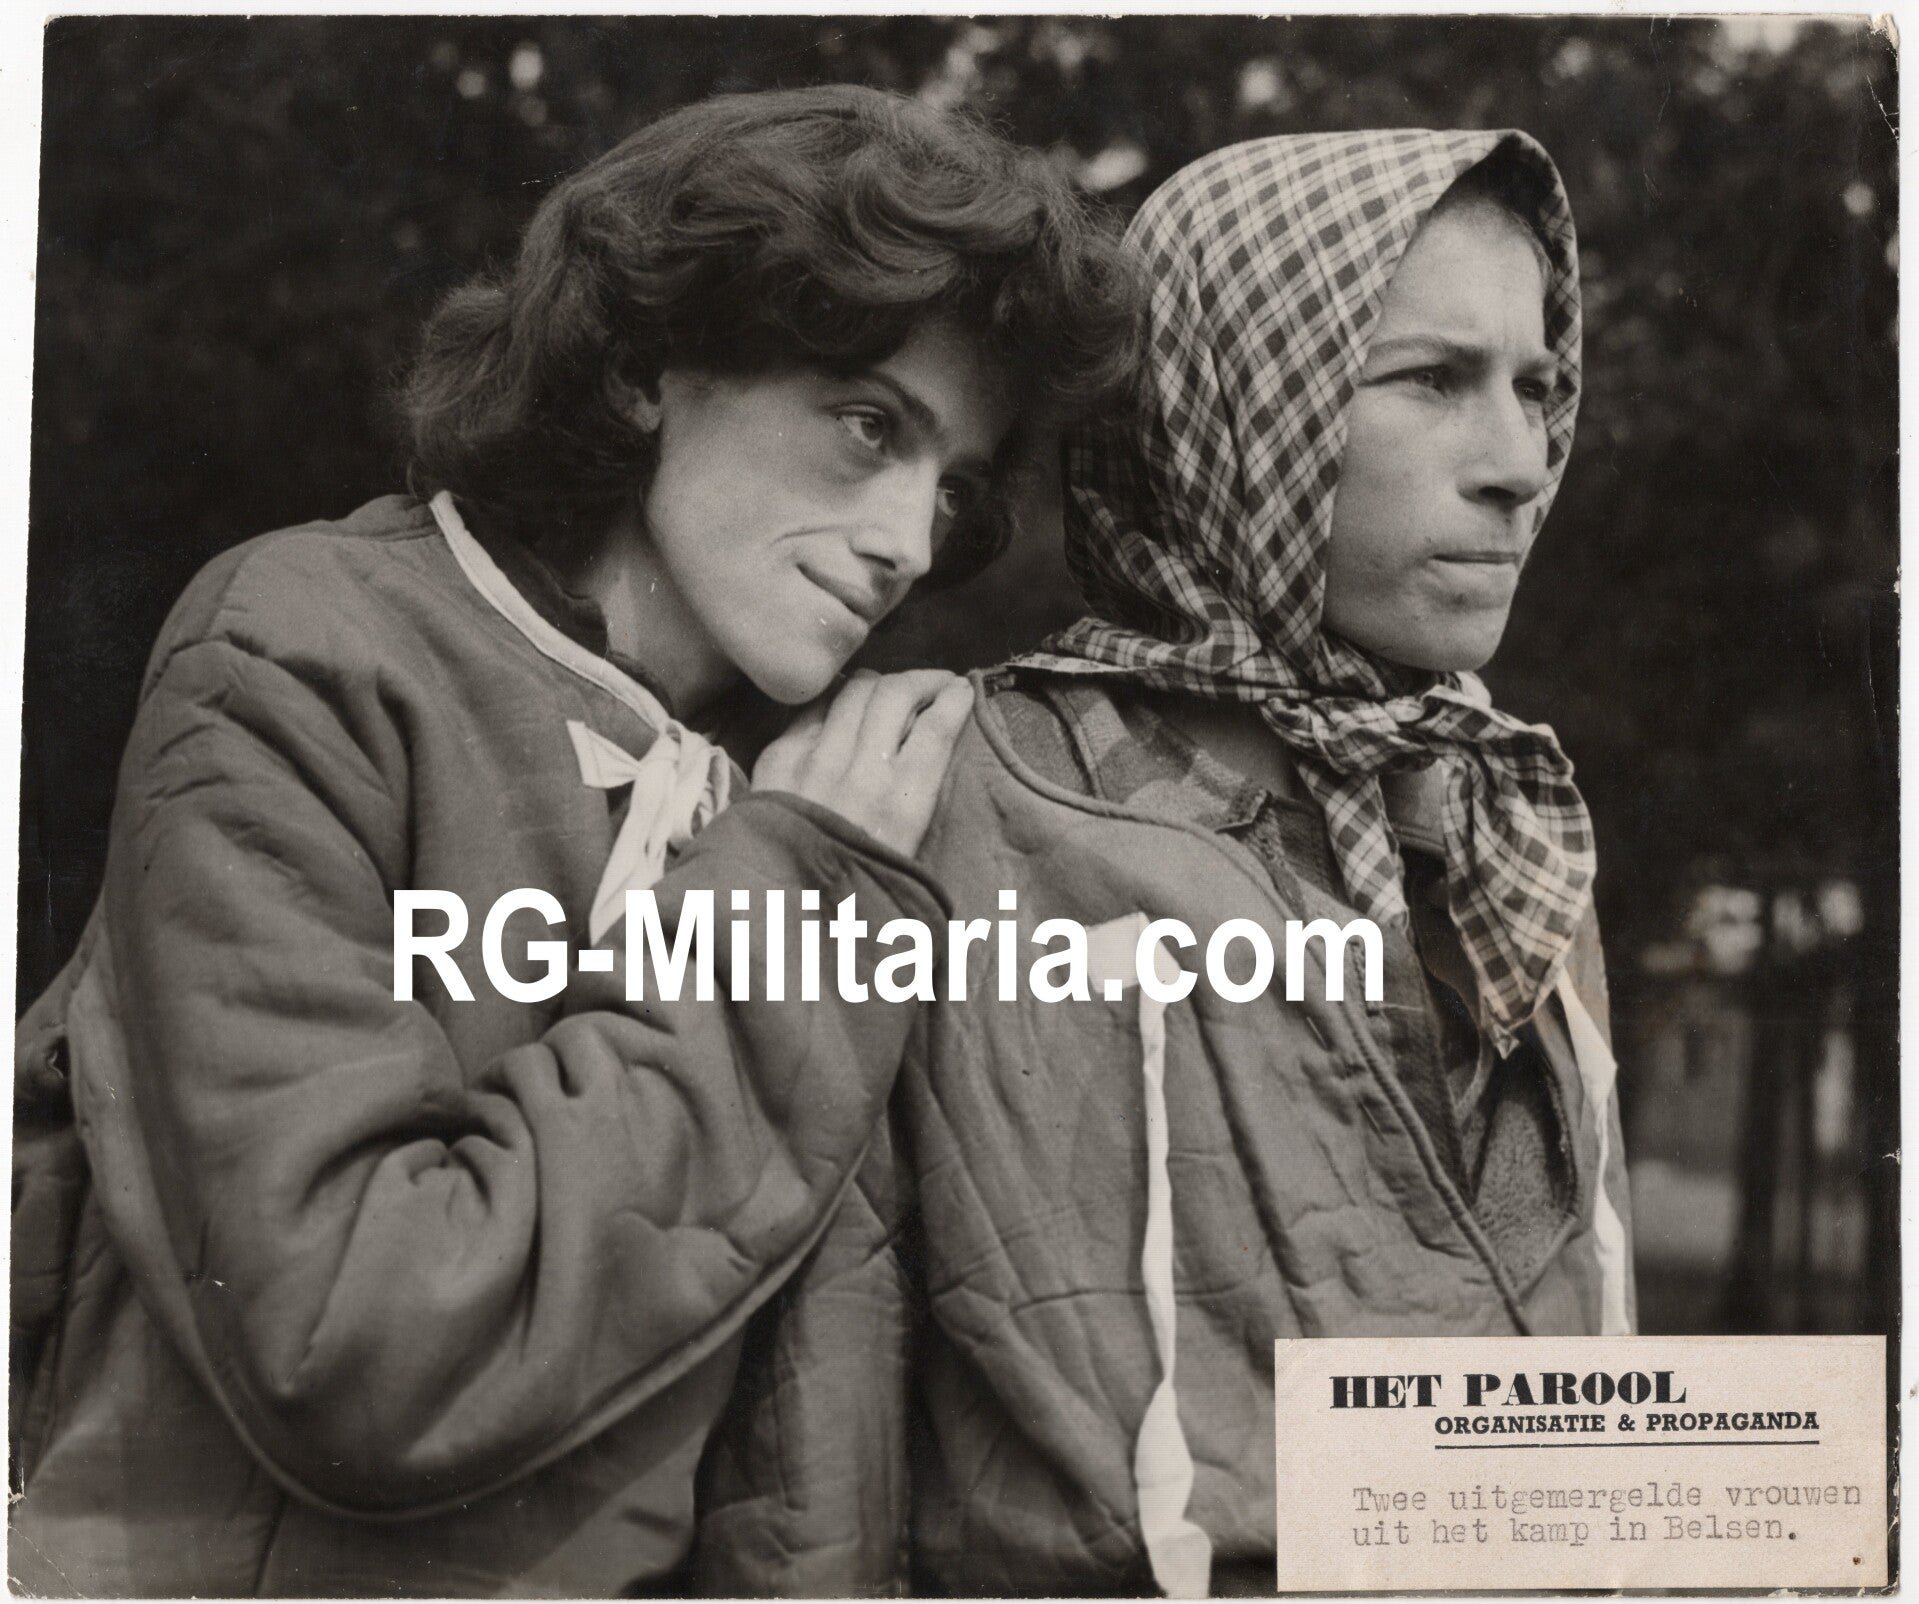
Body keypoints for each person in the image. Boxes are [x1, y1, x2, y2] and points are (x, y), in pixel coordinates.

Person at [8, 84, 1138, 1596]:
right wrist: (784, 912)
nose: (908, 541)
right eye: (869, 426)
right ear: (644, 364)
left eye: (954, 487)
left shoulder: (829, 788)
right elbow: (351, 1335)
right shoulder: (304, 647)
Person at [704, 128, 1633, 1596]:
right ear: (1233, 404)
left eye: (1539, 388)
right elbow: (818, 1409)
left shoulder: (1515, 828)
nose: (1520, 466)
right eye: (1431, 380)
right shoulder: (958, 801)